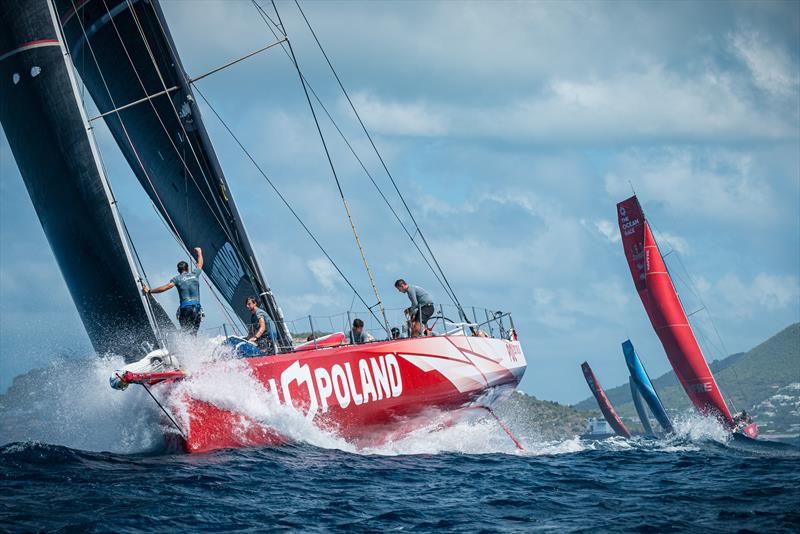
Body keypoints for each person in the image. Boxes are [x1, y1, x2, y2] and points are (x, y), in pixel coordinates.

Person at [144, 247, 203, 335]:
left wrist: (150, 291)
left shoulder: (177, 279)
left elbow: (166, 287)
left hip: (185, 309)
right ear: (187, 269)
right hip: (196, 309)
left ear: (178, 270)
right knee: (193, 334)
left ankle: (185, 347)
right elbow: (200, 263)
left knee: (185, 333)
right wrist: (199, 252)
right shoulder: (195, 274)